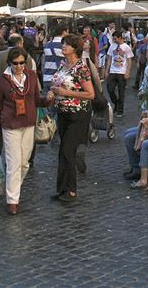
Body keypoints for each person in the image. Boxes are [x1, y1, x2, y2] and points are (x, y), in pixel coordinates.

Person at [0, 47, 49, 214]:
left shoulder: (31, 76)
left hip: (29, 124)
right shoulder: (2, 80)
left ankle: (13, 185)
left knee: (24, 163)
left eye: (22, 63)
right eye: (15, 63)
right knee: (13, 163)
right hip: (10, 125)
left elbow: (37, 100)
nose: (19, 66)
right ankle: (12, 200)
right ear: (10, 63)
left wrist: (48, 100)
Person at [45, 34, 94, 203]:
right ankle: (62, 189)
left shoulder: (81, 68)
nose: (63, 46)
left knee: (68, 150)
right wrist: (53, 91)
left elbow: (90, 94)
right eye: (63, 44)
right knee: (62, 152)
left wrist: (67, 93)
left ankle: (72, 190)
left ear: (75, 49)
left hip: (78, 114)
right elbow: (59, 84)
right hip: (63, 112)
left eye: (67, 44)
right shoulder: (63, 65)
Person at [106, 30, 132, 117]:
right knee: (110, 89)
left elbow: (129, 60)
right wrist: (107, 70)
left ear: (120, 38)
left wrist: (128, 71)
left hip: (122, 71)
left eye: (115, 38)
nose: (114, 40)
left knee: (121, 92)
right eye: (113, 38)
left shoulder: (126, 47)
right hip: (113, 71)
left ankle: (120, 110)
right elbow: (109, 58)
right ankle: (116, 103)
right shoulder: (112, 46)